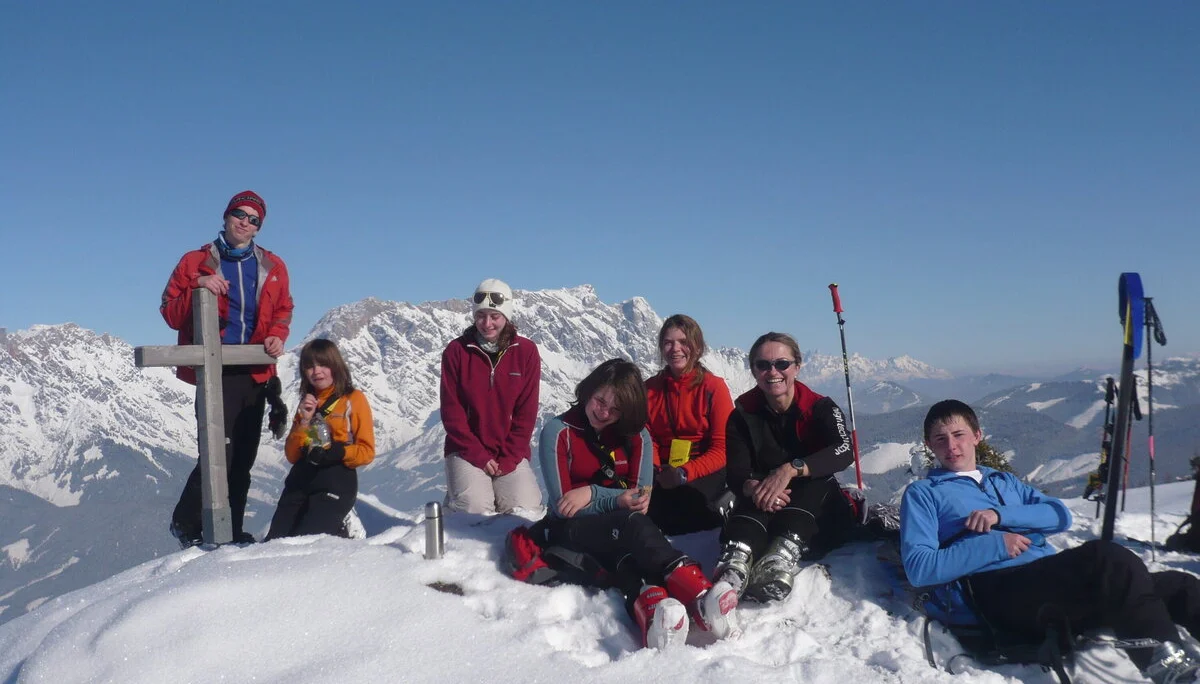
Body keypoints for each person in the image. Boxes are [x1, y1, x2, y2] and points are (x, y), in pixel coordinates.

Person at [901, 399, 1200, 684]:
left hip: (1044, 580)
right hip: (997, 591)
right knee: (1107, 559)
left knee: (1178, 585)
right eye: (940, 439)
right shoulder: (924, 494)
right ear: (929, 445)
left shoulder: (1003, 481)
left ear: (977, 436)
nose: (951, 446)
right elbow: (920, 568)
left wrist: (999, 514)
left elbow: (1059, 515)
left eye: (958, 435)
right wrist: (996, 545)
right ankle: (1166, 667)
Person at [537, 359, 739, 648]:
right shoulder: (558, 432)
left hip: (620, 527)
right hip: (569, 529)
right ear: (588, 390)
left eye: (615, 409)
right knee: (630, 526)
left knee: (629, 553)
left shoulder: (637, 436)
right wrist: (616, 498)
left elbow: (641, 499)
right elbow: (563, 507)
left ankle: (654, 614)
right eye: (600, 400)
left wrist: (591, 494)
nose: (603, 412)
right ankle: (700, 594)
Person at [162, 190, 293, 546]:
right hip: (215, 367)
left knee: (244, 455)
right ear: (226, 216)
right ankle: (187, 523)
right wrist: (198, 285)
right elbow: (169, 311)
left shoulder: (273, 266)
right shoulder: (195, 261)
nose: (245, 222)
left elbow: (283, 309)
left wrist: (277, 335)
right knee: (219, 451)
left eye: (254, 219)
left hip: (255, 369)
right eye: (240, 214)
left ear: (259, 228)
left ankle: (231, 531)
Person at [715, 332, 855, 603]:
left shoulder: (820, 408)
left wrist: (791, 469)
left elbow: (844, 449)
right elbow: (737, 472)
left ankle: (781, 553)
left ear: (797, 367)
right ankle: (737, 558)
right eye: (763, 365)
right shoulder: (742, 415)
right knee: (755, 494)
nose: (772, 372)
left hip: (815, 507)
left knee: (818, 481)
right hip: (765, 501)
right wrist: (754, 487)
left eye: (782, 364)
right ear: (754, 371)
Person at [439, 279, 542, 514]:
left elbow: (526, 414)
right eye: (480, 316)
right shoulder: (457, 352)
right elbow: (452, 413)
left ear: (506, 316)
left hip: (510, 451)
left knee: (525, 510)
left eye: (494, 316)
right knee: (474, 509)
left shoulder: (526, 352)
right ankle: (456, 506)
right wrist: (478, 455)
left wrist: (509, 457)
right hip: (466, 450)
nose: (487, 324)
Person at [266, 339, 375, 540]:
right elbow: (292, 455)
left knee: (306, 542)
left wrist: (339, 452)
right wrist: (304, 421)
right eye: (310, 366)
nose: (317, 371)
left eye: (323, 364)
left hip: (336, 479)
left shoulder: (353, 399)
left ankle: (343, 531)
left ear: (335, 366)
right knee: (275, 543)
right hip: (301, 479)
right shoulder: (307, 403)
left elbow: (366, 452)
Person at [644, 314, 735, 535]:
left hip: (704, 467)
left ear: (697, 347)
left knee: (686, 512)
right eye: (668, 342)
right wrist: (656, 471)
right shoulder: (650, 389)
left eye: (683, 342)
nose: (675, 349)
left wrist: (684, 473)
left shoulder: (713, 388)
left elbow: (723, 448)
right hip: (664, 469)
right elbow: (648, 438)